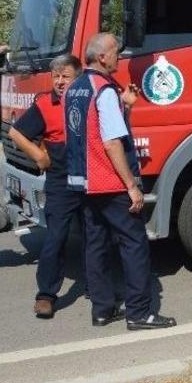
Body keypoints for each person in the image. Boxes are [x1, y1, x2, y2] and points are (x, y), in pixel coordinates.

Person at [65, 33, 176, 330]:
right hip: (109, 181)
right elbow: (112, 141)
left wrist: (124, 106)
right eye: (116, 51)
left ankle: (102, 310)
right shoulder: (104, 90)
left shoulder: (75, 88)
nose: (119, 56)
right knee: (134, 243)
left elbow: (86, 131)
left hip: (84, 181)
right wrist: (131, 185)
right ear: (102, 57)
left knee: (96, 244)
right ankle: (140, 313)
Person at [7, 54, 82, 318]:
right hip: (60, 180)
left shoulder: (87, 100)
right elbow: (16, 133)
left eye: (66, 76)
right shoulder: (44, 104)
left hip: (90, 177)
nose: (60, 82)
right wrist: (38, 155)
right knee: (56, 237)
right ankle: (46, 295)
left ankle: (103, 289)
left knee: (100, 235)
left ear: (78, 77)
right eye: (56, 77)